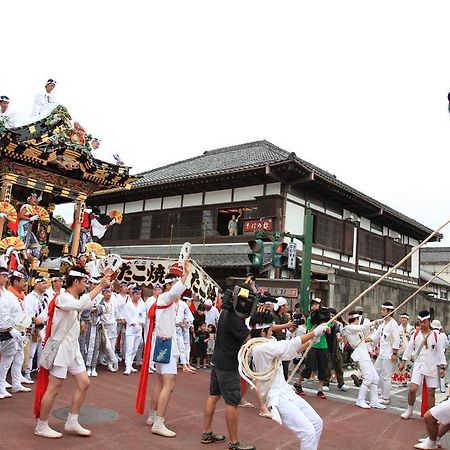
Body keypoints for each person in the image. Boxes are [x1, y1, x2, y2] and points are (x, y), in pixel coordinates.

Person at [34, 267, 112, 439]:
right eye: (84, 282)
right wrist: (100, 286)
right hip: (60, 347)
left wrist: (102, 282)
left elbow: (84, 304)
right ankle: (41, 425)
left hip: (72, 347)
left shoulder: (74, 297)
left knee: (84, 383)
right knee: (54, 388)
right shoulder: (62, 297)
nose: (85, 285)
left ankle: (72, 421)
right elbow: (79, 305)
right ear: (76, 282)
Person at [247, 309, 329, 450]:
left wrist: (311, 341)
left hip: (285, 391)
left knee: (317, 423)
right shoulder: (259, 348)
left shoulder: (269, 343)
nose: (273, 331)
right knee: (307, 432)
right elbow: (287, 346)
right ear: (262, 332)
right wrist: (313, 333)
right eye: (270, 329)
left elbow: (288, 353)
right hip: (276, 397)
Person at [201, 283, 254, 450]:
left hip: (218, 360)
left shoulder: (226, 311)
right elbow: (248, 338)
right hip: (229, 364)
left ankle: (207, 433)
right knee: (232, 402)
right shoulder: (236, 318)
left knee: (213, 395)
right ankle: (234, 443)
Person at [146, 261, 192, 437]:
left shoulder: (168, 301)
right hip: (166, 345)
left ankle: (152, 415)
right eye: (175, 283)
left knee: (160, 382)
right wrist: (185, 274)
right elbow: (174, 291)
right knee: (169, 384)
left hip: (162, 343)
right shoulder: (165, 297)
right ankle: (159, 422)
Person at [399, 310, 447, 420]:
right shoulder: (416, 334)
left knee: (431, 392)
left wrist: (443, 367)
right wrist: (403, 361)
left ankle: (432, 415)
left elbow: (440, 352)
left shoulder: (436, 336)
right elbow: (409, 348)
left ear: (429, 321)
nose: (422, 324)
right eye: (420, 322)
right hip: (419, 365)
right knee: (412, 389)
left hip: (431, 366)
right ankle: (409, 410)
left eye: (424, 322)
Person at [341, 311, 386, 409]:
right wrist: (374, 322)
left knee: (375, 378)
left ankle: (374, 401)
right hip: (359, 355)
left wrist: (374, 326)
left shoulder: (357, 329)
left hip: (365, 354)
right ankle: (360, 400)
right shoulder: (349, 328)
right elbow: (361, 327)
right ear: (356, 319)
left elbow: (366, 333)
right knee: (368, 378)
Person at [295, 298, 329, 398]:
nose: (314, 306)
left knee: (323, 367)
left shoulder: (325, 317)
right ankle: (298, 383)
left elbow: (330, 330)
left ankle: (320, 389)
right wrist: (315, 326)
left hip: (323, 345)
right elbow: (309, 332)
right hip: (313, 344)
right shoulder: (310, 318)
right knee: (309, 366)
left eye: (316, 304)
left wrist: (327, 327)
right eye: (313, 305)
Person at [5, 271, 33, 393]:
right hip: (10, 330)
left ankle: (16, 383)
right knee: (7, 359)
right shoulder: (8, 295)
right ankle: (2, 383)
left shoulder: (21, 295)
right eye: (23, 282)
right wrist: (11, 328)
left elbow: (23, 312)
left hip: (20, 329)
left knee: (19, 357)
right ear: (15, 282)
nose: (25, 284)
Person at [370, 302, 400, 405]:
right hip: (382, 353)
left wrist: (394, 353)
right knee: (375, 372)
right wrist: (366, 339)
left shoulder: (393, 324)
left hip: (388, 354)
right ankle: (382, 393)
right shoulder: (383, 323)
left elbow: (397, 340)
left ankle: (386, 397)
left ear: (389, 311)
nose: (381, 311)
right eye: (381, 309)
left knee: (386, 376)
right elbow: (376, 335)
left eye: (383, 310)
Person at [0, 267, 23, 399]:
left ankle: (2, 386)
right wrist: (10, 328)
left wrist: (21, 326)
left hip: (9, 333)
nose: (5, 278)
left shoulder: (9, 295)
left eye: (6, 275)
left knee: (6, 361)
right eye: (3, 275)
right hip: (6, 329)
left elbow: (16, 312)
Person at [24, 277, 49, 381]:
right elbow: (28, 313)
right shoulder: (30, 297)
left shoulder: (46, 297)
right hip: (34, 327)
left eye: (46, 283)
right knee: (31, 351)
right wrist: (35, 319)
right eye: (43, 283)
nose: (45, 285)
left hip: (44, 326)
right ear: (36, 284)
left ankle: (40, 371)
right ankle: (27, 372)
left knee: (43, 351)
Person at [122, 287, 146, 375]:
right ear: (133, 294)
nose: (138, 296)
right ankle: (127, 367)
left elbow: (144, 313)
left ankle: (130, 364)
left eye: (139, 294)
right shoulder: (128, 304)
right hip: (131, 329)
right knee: (129, 348)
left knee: (135, 349)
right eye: (136, 294)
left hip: (139, 329)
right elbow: (126, 315)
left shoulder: (141, 304)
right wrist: (132, 323)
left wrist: (142, 322)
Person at [271, 296, 293, 380]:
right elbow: (272, 327)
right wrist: (287, 325)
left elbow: (290, 329)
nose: (287, 307)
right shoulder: (272, 315)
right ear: (281, 306)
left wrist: (294, 326)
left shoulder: (285, 316)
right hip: (274, 342)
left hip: (283, 343)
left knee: (284, 366)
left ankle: (284, 382)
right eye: (286, 305)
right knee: (275, 366)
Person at [99, 287, 118, 372]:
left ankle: (110, 363)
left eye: (109, 292)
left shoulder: (113, 303)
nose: (108, 294)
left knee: (112, 346)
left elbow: (116, 313)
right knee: (106, 345)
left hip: (112, 325)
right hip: (103, 326)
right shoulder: (100, 303)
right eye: (106, 292)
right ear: (103, 293)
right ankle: (107, 359)